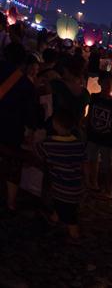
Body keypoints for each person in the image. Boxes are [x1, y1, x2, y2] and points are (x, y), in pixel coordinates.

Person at [0, 42, 40, 212]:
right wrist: (30, 130)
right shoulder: (26, 84)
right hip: (11, 128)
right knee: (12, 166)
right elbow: (31, 114)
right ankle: (11, 201)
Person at [37, 109, 86, 240]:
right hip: (76, 185)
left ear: (55, 124)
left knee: (69, 215)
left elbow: (39, 154)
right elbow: (83, 162)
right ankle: (55, 217)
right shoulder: (78, 143)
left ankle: (74, 235)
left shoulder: (49, 143)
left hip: (61, 186)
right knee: (66, 206)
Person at [86, 72, 112, 197]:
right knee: (92, 160)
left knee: (109, 164)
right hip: (93, 134)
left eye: (111, 84)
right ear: (100, 83)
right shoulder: (94, 97)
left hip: (107, 137)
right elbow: (89, 115)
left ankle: (108, 189)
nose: (109, 86)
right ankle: (93, 183)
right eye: (106, 83)